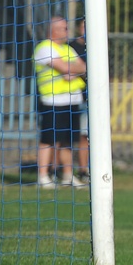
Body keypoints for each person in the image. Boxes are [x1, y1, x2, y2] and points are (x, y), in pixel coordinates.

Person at [34, 16, 87, 189]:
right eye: (64, 28)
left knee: (67, 140)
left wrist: (72, 70)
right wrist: (71, 70)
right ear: (53, 30)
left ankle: (67, 175)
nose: (67, 31)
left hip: (72, 101)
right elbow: (65, 69)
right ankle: (43, 176)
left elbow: (83, 66)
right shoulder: (44, 48)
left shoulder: (67, 49)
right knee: (49, 139)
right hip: (53, 101)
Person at [68, 19, 90, 182]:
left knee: (86, 135)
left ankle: (84, 170)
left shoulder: (97, 46)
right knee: (64, 137)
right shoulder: (71, 47)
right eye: (84, 26)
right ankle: (57, 171)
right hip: (72, 97)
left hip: (90, 98)